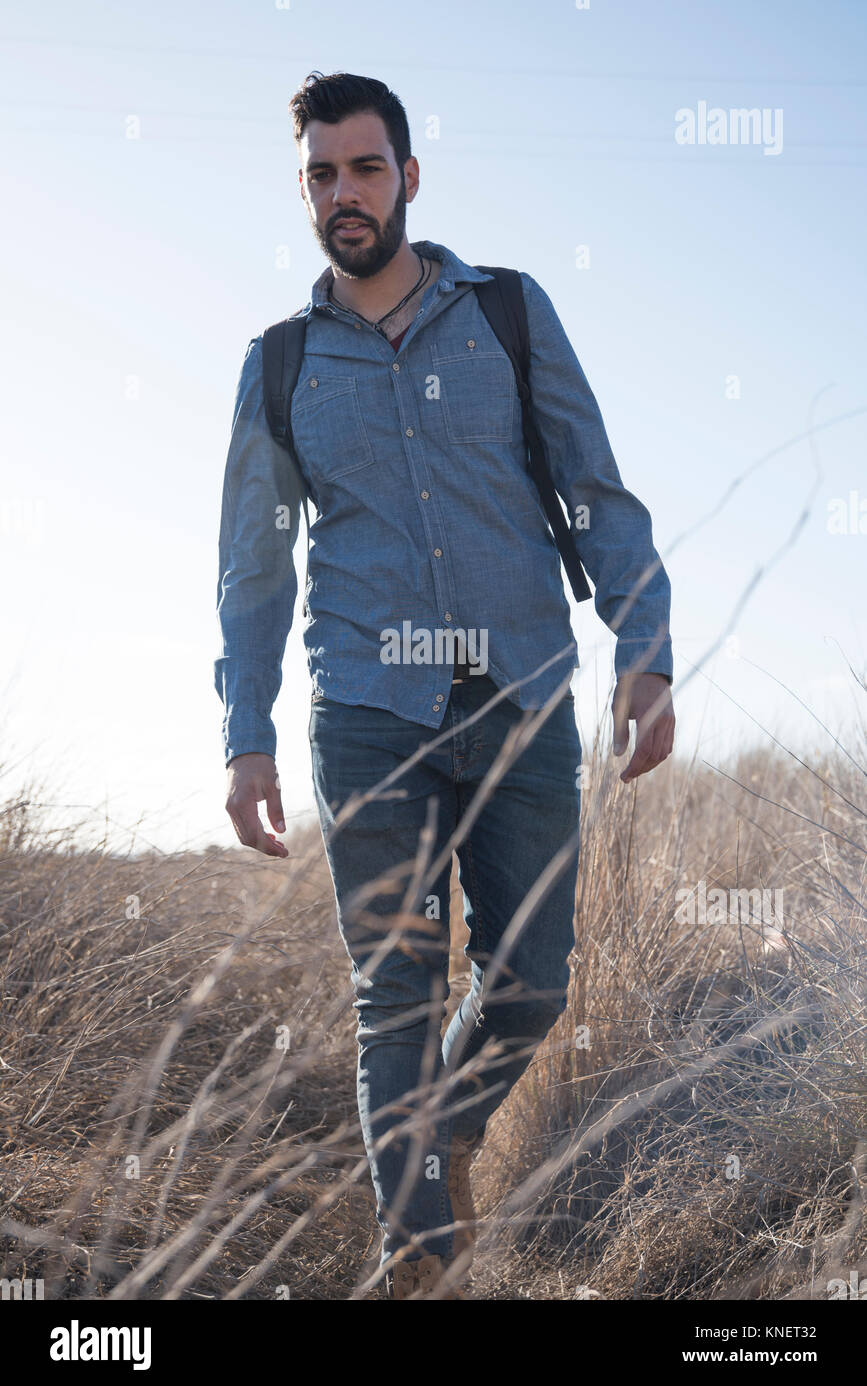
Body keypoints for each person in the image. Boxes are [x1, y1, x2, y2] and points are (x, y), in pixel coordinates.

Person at [215, 71, 675, 1299]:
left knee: (530, 985)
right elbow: (253, 569)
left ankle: (448, 1131)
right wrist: (243, 734)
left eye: (366, 168)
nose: (345, 193)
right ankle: (417, 1261)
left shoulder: (510, 315)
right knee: (393, 999)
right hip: (369, 713)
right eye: (322, 174)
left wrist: (644, 644)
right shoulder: (278, 366)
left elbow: (592, 487)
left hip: (518, 694)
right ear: (303, 190)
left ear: (408, 177)